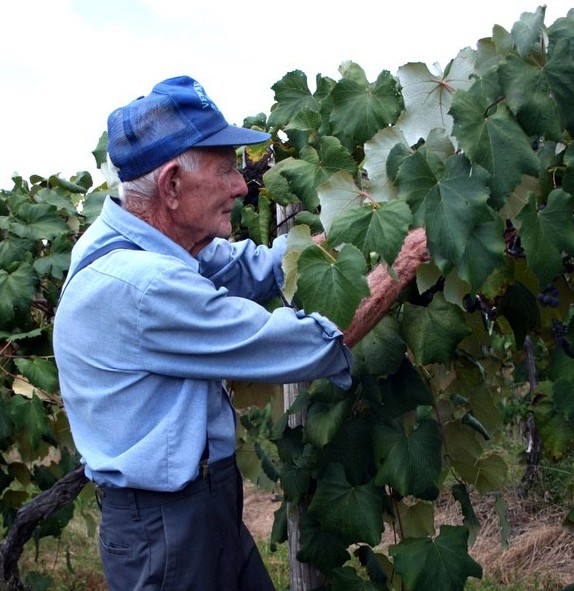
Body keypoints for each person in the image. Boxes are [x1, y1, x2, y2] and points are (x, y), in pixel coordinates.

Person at [53, 75, 428, 591]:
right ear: (171, 185)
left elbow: (256, 268)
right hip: (165, 529)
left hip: (201, 503)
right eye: (227, 170)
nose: (240, 186)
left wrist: (362, 223)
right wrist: (403, 257)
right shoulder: (143, 286)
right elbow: (309, 343)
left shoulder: (144, 238)